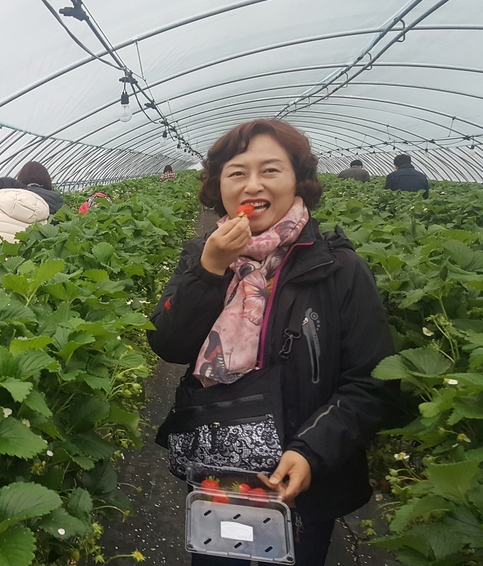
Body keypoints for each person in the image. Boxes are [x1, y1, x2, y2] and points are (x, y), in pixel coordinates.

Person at [147, 119, 398, 566]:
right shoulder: (203, 254)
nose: (252, 185)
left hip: (300, 479)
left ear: (297, 180)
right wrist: (210, 269)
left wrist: (311, 451)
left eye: (271, 170)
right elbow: (169, 346)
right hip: (217, 475)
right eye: (237, 172)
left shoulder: (338, 268)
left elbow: (372, 381)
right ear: (218, 185)